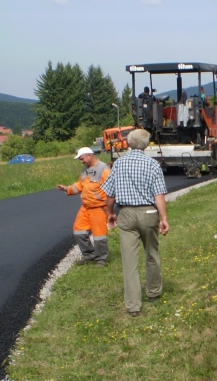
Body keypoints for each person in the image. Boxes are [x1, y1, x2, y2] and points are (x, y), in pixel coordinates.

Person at [101, 129, 169, 317]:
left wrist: (110, 213)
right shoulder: (153, 165)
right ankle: (153, 293)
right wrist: (164, 218)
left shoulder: (118, 164)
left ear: (128, 143)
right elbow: (159, 195)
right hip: (148, 212)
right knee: (151, 254)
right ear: (147, 144)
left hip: (127, 213)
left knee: (129, 261)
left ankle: (133, 306)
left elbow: (110, 195)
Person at [57, 147, 111, 267]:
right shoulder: (85, 171)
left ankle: (102, 260)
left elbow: (112, 189)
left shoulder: (103, 169)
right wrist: (67, 188)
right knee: (78, 231)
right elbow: (80, 185)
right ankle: (89, 255)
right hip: (86, 207)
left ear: (89, 155)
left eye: (82, 159)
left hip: (99, 207)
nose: (81, 161)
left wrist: (111, 209)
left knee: (99, 236)